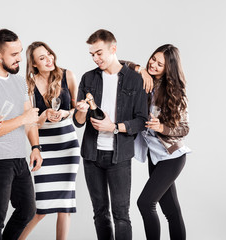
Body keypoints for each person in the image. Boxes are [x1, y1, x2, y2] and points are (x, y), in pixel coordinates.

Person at [73, 29, 148, 240]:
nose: (96, 58)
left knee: (121, 215)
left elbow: (141, 121)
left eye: (99, 53)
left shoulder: (134, 79)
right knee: (100, 213)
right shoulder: (88, 78)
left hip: (120, 157)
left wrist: (113, 127)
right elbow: (79, 123)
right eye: (92, 55)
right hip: (92, 155)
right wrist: (81, 110)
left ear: (113, 49)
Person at [0, 29, 43, 240]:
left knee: (28, 211)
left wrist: (36, 147)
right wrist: (23, 119)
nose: (19, 58)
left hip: (19, 157)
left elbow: (30, 120)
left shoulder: (19, 81)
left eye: (19, 52)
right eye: (13, 54)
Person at [19, 41, 80, 240]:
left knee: (65, 206)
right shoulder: (27, 84)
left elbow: (79, 111)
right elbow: (29, 121)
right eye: (42, 58)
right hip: (43, 144)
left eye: (49, 54)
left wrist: (65, 113)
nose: (49, 60)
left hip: (67, 144)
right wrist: (44, 115)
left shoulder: (67, 75)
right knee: (41, 208)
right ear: (34, 64)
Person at [134, 44, 190, 240]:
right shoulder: (145, 79)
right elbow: (120, 64)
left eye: (160, 64)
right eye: (153, 59)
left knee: (145, 203)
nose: (154, 65)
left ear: (169, 68)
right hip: (155, 156)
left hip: (172, 156)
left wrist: (162, 128)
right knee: (171, 211)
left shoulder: (175, 92)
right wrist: (140, 69)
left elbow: (184, 129)